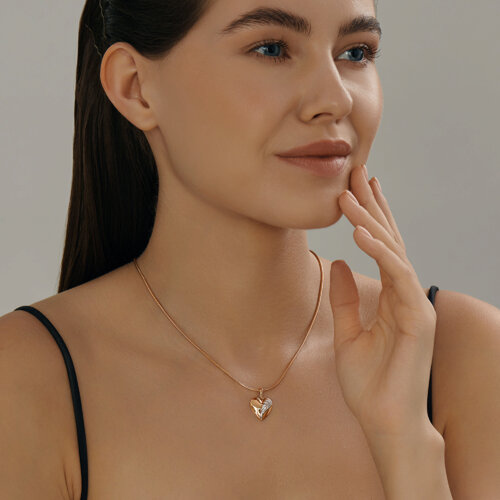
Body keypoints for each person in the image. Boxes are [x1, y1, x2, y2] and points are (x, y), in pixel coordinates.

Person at [1, 0, 499, 498]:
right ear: (135, 87)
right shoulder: (23, 378)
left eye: (355, 53)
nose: (335, 99)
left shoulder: (468, 358)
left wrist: (406, 442)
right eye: (272, 48)